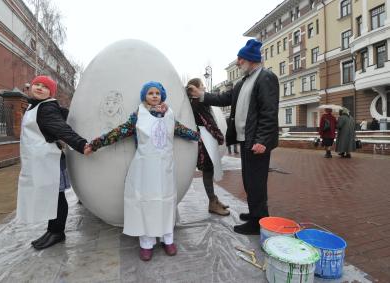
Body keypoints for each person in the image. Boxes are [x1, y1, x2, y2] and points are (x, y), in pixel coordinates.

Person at [89, 81, 199, 261]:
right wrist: (95, 144)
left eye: (157, 93)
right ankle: (146, 243)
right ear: (144, 96)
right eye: (150, 93)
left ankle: (167, 238)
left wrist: (197, 136)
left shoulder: (169, 114)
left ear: (162, 95)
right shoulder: (138, 115)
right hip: (145, 168)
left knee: (165, 201)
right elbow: (120, 131)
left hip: (165, 169)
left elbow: (181, 130)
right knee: (146, 202)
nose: (154, 95)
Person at [187, 39, 279, 235]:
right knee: (249, 180)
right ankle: (256, 213)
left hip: (257, 141)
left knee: (256, 182)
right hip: (246, 139)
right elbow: (223, 99)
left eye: (240, 59)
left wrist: (262, 140)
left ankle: (258, 222)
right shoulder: (243, 82)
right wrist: (201, 94)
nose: (238, 62)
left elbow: (269, 112)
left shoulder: (266, 78)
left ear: (251, 59)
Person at [16, 75, 92, 250]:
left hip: (50, 162)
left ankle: (57, 232)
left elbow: (61, 128)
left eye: (45, 87)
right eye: (37, 85)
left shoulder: (46, 108)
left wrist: (81, 145)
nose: (40, 88)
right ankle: (52, 230)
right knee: (52, 196)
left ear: (51, 93)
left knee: (56, 196)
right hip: (40, 161)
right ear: (31, 88)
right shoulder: (34, 106)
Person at [186, 78, 230, 216]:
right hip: (205, 140)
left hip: (205, 139)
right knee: (208, 171)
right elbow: (208, 122)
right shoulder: (198, 102)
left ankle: (214, 200)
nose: (204, 88)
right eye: (202, 86)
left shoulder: (195, 102)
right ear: (195, 89)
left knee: (209, 171)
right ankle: (212, 202)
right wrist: (219, 135)